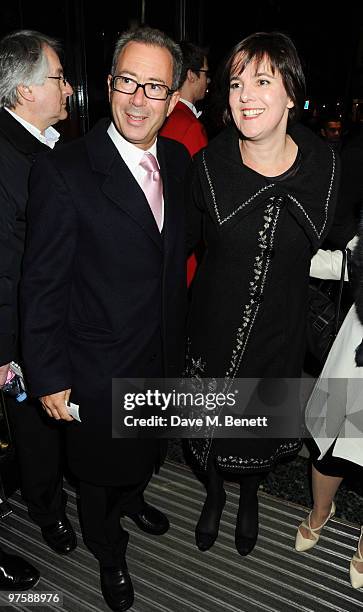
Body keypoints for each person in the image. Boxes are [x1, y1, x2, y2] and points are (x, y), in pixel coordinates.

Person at [20, 27, 189, 611]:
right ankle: (108, 550)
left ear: (173, 99)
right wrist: (47, 375)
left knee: (142, 455)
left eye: (155, 86)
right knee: (97, 477)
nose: (139, 99)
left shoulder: (179, 160)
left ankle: (132, 498)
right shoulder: (64, 172)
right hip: (96, 367)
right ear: (109, 84)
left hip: (159, 358)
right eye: (128, 82)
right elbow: (40, 286)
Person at [185, 32, 340, 557]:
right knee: (209, 434)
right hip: (212, 331)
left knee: (255, 432)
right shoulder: (208, 167)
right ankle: (213, 496)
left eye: (262, 81)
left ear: (291, 93)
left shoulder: (328, 169)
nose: (244, 94)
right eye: (235, 83)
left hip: (279, 334)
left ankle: (248, 497)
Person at [0, 30, 76, 565]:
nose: (70, 88)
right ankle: (47, 512)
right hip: (18, 336)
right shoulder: (5, 158)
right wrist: (6, 356)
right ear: (26, 91)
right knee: (34, 434)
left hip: (50, 320)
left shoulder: (45, 144)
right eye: (59, 78)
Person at [295, 225, 363, 589]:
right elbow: (346, 263)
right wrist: (287, 256)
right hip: (355, 355)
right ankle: (322, 510)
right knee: (330, 442)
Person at [160, 41, 209, 286]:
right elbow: (199, 196)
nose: (208, 81)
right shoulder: (190, 126)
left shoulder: (166, 116)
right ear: (191, 75)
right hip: (183, 253)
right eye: (205, 74)